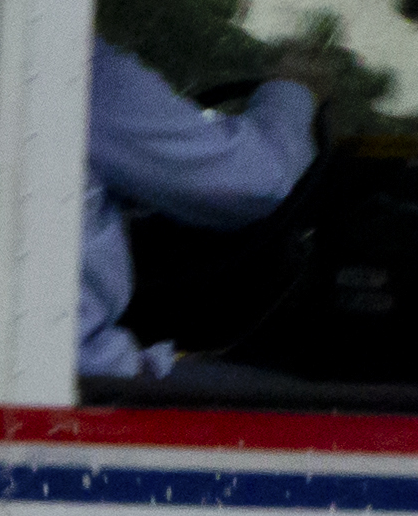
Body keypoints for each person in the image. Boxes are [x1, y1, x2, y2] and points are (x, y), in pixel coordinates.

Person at [80, 36, 319, 386]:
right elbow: (255, 184)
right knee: (317, 408)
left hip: (57, 368)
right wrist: (296, 89)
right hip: (86, 377)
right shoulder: (81, 70)